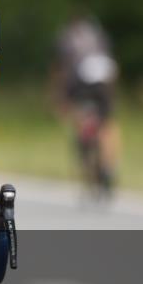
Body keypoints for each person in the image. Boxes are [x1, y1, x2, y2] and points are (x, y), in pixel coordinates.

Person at [49, 13, 120, 193]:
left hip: (81, 79)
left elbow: (63, 68)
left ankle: (85, 142)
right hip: (105, 77)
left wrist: (61, 98)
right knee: (108, 123)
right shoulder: (99, 34)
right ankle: (108, 166)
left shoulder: (67, 37)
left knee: (80, 116)